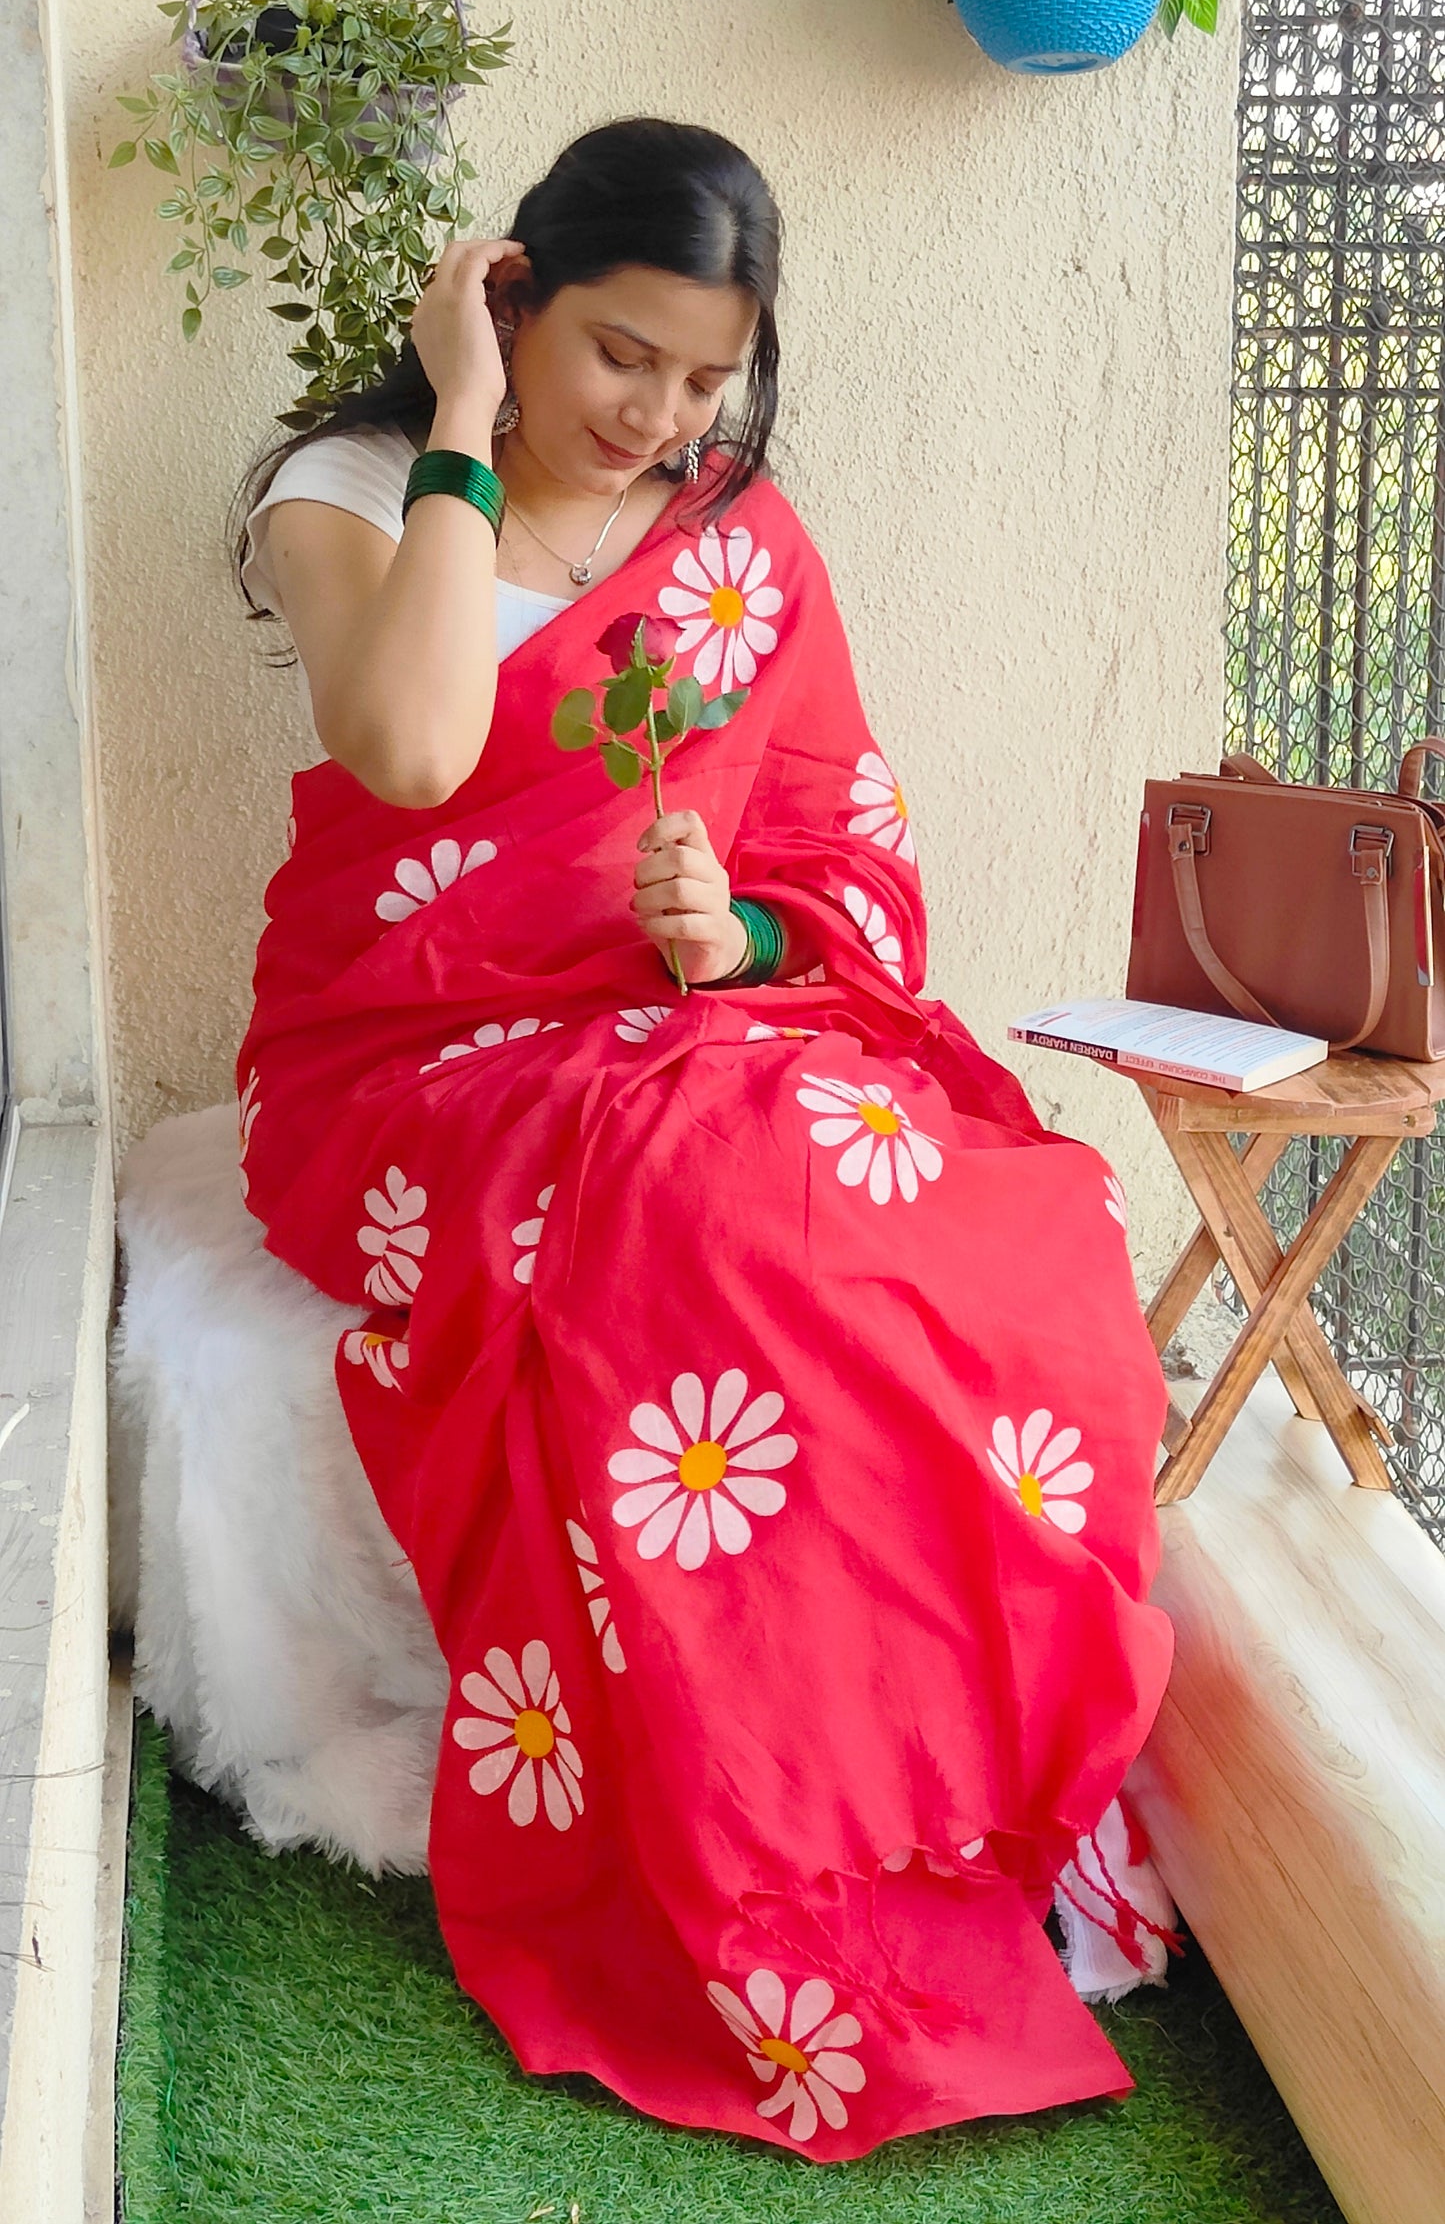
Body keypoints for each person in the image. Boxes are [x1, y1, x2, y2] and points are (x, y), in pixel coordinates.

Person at [233, 116, 1175, 2162]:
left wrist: (737, 933)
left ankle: (950, 1802)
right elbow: (406, 749)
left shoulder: (741, 537)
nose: (658, 415)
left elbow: (836, 833)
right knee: (717, 1196)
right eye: (613, 355)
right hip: (421, 1063)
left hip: (690, 1035)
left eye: (703, 376)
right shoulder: (355, 497)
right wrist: (468, 426)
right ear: (513, 303)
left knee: (1005, 1212)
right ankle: (749, 1871)